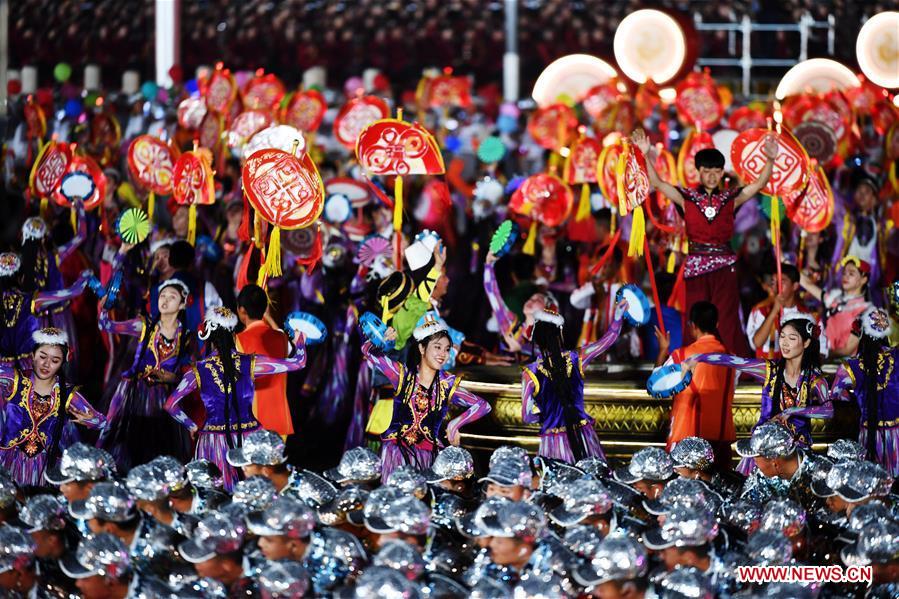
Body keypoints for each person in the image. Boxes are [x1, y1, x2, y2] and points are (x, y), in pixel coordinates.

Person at [634, 128, 780, 357]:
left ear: (723, 172)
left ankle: (733, 366)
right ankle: (695, 362)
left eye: (716, 171)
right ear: (699, 172)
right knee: (695, 317)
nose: (712, 176)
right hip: (695, 267)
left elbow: (759, 184)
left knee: (727, 317)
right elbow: (657, 182)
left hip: (725, 267)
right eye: (707, 171)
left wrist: (770, 160)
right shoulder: (687, 198)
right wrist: (644, 154)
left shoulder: (731, 198)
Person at [164, 306, 308, 491]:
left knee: (215, 495)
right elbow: (298, 362)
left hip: (212, 442)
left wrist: (192, 426)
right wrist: (300, 341)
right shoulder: (250, 363)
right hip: (250, 438)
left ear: (208, 337)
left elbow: (170, 405)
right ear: (233, 335)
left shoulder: (197, 371)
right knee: (256, 493)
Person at [684, 315, 832, 474]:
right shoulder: (769, 370)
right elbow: (735, 361)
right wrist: (700, 357)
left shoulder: (814, 378)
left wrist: (794, 410)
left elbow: (828, 410)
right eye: (782, 337)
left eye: (792, 338)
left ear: (806, 343)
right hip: (763, 452)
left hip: (796, 453)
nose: (784, 343)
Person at [361, 315, 491, 481]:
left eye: (447, 349)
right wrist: (383, 340)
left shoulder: (446, 384)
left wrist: (454, 424)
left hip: (428, 455)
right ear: (422, 348)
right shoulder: (403, 376)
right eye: (437, 347)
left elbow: (483, 405)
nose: (443, 354)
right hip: (396, 454)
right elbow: (367, 351)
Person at [97, 278, 194, 468]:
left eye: (172, 297)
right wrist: (105, 308)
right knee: (121, 438)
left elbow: (190, 375)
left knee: (155, 447)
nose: (164, 300)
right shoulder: (144, 326)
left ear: (182, 304)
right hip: (134, 392)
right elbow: (107, 326)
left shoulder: (186, 337)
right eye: (162, 296)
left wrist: (172, 377)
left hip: (163, 399)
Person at [521, 302, 626, 463]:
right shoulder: (577, 358)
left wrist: (547, 415)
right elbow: (607, 340)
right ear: (560, 335)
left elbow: (527, 416)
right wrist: (618, 317)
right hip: (583, 434)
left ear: (537, 339)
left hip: (553, 441)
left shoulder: (530, 372)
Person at [0, 328, 105, 486]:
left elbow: (103, 422)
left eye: (55, 360)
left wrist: (92, 420)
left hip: (42, 468)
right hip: (8, 459)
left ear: (62, 363)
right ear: (33, 355)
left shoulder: (66, 393)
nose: (46, 364)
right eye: (43, 357)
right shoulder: (15, 381)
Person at [656, 301, 736, 465]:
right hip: (720, 438)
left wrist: (663, 350)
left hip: (686, 436)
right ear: (717, 324)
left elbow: (657, 386)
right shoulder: (732, 359)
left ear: (692, 326)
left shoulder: (681, 356)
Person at [830, 307, 899, 475]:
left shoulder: (848, 368)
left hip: (869, 436)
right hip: (896, 434)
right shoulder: (896, 356)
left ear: (859, 332)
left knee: (869, 482)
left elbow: (836, 395)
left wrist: (856, 397)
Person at [0, 252, 92, 366]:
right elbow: (75, 291)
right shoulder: (32, 300)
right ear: (21, 277)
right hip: (27, 369)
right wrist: (85, 276)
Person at [236, 284, 292, 437]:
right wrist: (267, 317)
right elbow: (281, 336)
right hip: (280, 418)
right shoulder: (281, 338)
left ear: (241, 311)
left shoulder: (239, 341)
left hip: (254, 420)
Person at [484, 251, 559, 353]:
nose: (530, 301)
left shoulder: (548, 337)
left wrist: (522, 348)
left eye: (537, 299)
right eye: (531, 298)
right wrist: (489, 264)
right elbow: (492, 293)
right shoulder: (510, 323)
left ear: (547, 309)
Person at [800, 254, 871, 357]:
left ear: (864, 279)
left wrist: (823, 353)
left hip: (846, 367)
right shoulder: (835, 301)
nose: (845, 276)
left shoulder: (864, 310)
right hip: (827, 361)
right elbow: (807, 284)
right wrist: (783, 260)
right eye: (844, 273)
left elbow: (848, 349)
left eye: (851, 274)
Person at [745, 263, 819, 359]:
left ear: (795, 286)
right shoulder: (761, 310)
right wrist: (774, 311)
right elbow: (757, 343)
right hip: (766, 370)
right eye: (773, 282)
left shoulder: (805, 315)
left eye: (781, 282)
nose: (776, 286)